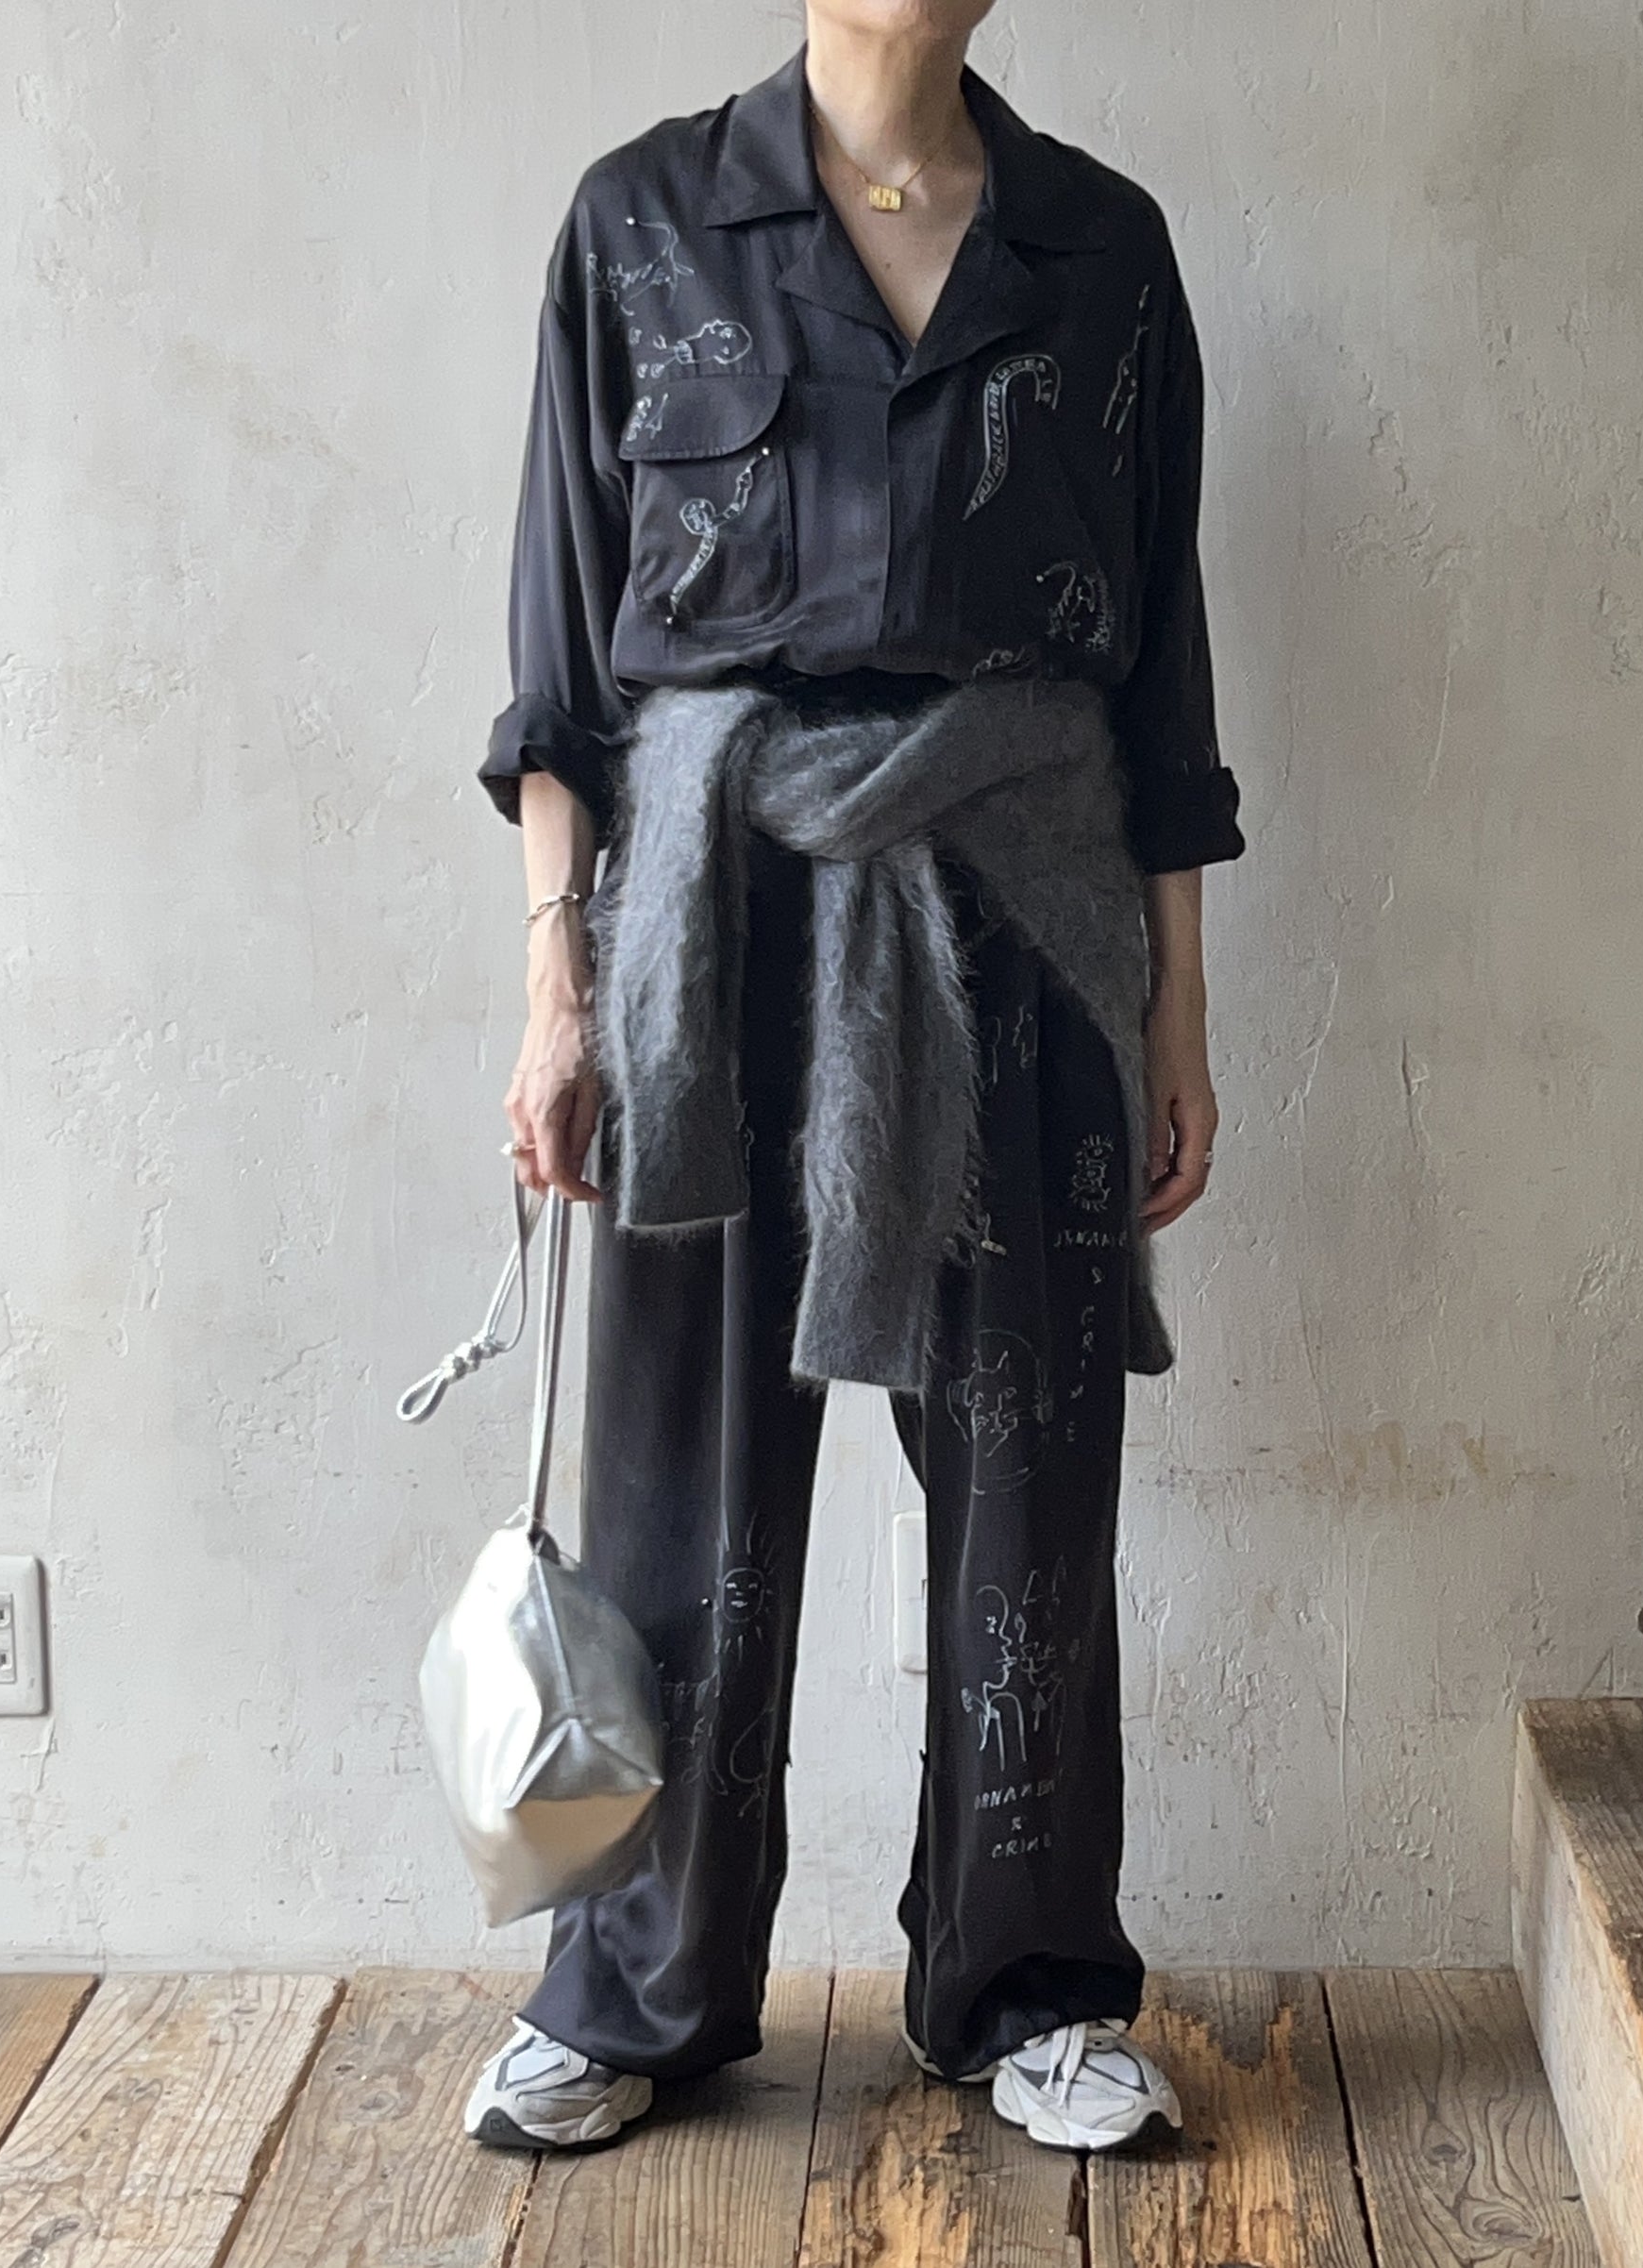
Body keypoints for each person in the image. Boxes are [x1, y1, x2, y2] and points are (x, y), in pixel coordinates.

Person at [462, 0, 1245, 2159]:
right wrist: (557, 987)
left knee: (1030, 1477)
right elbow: (561, 662)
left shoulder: (1103, 252)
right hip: (710, 936)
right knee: (679, 1489)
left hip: (1023, 926)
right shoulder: (637, 225)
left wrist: (1178, 1004)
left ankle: (1026, 1985)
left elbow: (1161, 671)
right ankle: (638, 1987)